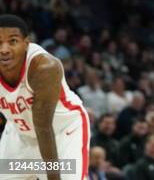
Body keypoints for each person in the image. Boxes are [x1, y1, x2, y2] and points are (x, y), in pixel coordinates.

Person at [0, 14, 90, 180]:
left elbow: (43, 126)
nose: (4, 49)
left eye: (12, 41)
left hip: (61, 132)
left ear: (26, 44)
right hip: (21, 135)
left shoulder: (44, 68)